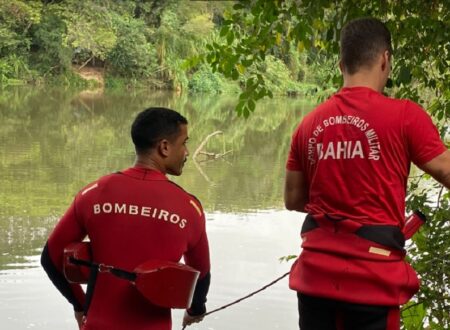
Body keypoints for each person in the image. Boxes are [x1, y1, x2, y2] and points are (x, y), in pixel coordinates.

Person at [284, 17, 450, 330]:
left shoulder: (307, 125)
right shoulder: (404, 116)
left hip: (316, 278)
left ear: (340, 64)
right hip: (373, 280)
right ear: (385, 59)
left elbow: (293, 199)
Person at [41, 107, 211, 329]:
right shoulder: (189, 208)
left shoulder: (94, 192)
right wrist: (195, 309)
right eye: (184, 143)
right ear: (165, 147)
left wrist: (80, 305)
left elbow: (51, 258)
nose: (187, 152)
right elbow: (201, 274)